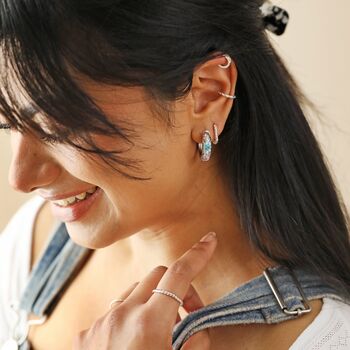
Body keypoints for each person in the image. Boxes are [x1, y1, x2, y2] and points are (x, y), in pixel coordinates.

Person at [0, 1, 349, 349]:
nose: (21, 177)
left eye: (56, 125)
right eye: (8, 122)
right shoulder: (33, 240)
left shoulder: (326, 340)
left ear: (208, 94)